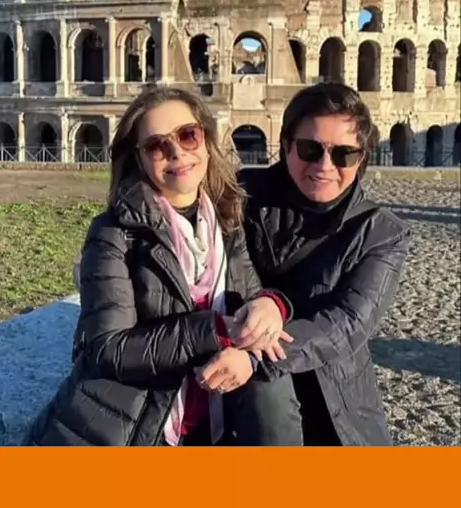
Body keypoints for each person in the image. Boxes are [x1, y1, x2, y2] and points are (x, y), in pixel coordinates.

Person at [23, 86, 303, 447]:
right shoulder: (113, 233)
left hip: (214, 422)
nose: (176, 152)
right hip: (132, 425)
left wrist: (272, 305)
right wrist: (215, 329)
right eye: (157, 145)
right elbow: (109, 348)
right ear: (139, 158)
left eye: (187, 135)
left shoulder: (226, 221)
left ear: (206, 140)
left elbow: (248, 299)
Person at [220, 82, 410, 446]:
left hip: (333, 396)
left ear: (361, 158)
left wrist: (258, 357)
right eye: (310, 149)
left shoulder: (382, 233)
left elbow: (348, 324)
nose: (324, 166)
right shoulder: (238, 197)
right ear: (286, 145)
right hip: (237, 383)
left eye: (344, 155)